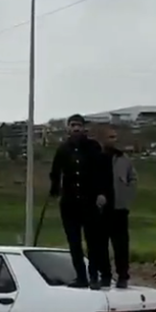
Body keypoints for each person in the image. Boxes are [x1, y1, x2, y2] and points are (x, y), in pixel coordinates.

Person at [49, 114, 112, 289]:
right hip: (69, 202)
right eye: (72, 125)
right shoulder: (63, 149)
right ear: (68, 128)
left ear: (84, 128)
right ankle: (81, 277)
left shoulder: (93, 147)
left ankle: (94, 277)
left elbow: (102, 172)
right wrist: (55, 190)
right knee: (74, 242)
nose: (76, 128)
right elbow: (55, 171)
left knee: (93, 242)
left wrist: (102, 193)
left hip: (89, 201)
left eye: (78, 125)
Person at [100, 126, 137, 288]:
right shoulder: (97, 157)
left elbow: (133, 178)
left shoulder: (123, 159)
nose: (114, 140)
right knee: (100, 245)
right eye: (110, 137)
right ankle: (105, 276)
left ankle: (123, 276)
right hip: (100, 209)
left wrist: (126, 195)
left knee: (121, 245)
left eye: (115, 137)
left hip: (119, 209)